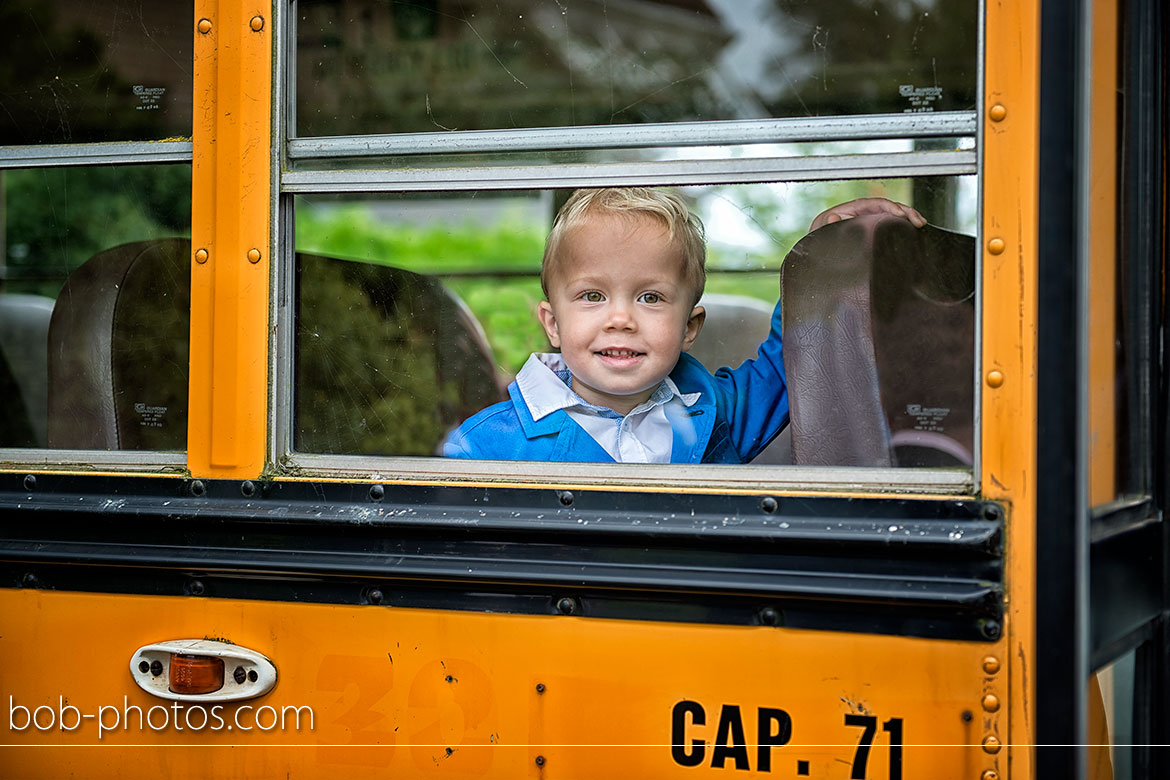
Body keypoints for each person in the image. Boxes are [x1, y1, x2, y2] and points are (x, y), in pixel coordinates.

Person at [443, 188, 924, 463]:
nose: (620, 319)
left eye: (650, 297)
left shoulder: (718, 413)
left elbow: (794, 362)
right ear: (552, 322)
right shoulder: (486, 444)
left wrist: (829, 253)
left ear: (690, 326)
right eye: (592, 296)